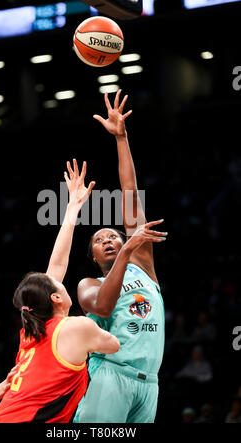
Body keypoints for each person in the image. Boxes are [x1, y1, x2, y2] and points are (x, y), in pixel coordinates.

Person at [0, 160, 120, 423]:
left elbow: (57, 266)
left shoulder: (32, 331)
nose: (60, 278)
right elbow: (114, 345)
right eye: (57, 283)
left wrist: (73, 207)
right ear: (56, 298)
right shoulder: (75, 327)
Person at [73, 90, 167, 424]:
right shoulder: (88, 284)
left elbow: (129, 192)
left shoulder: (143, 265)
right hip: (111, 376)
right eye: (100, 240)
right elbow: (102, 307)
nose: (110, 240)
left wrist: (122, 138)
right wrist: (128, 249)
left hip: (150, 384)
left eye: (115, 235)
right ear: (93, 255)